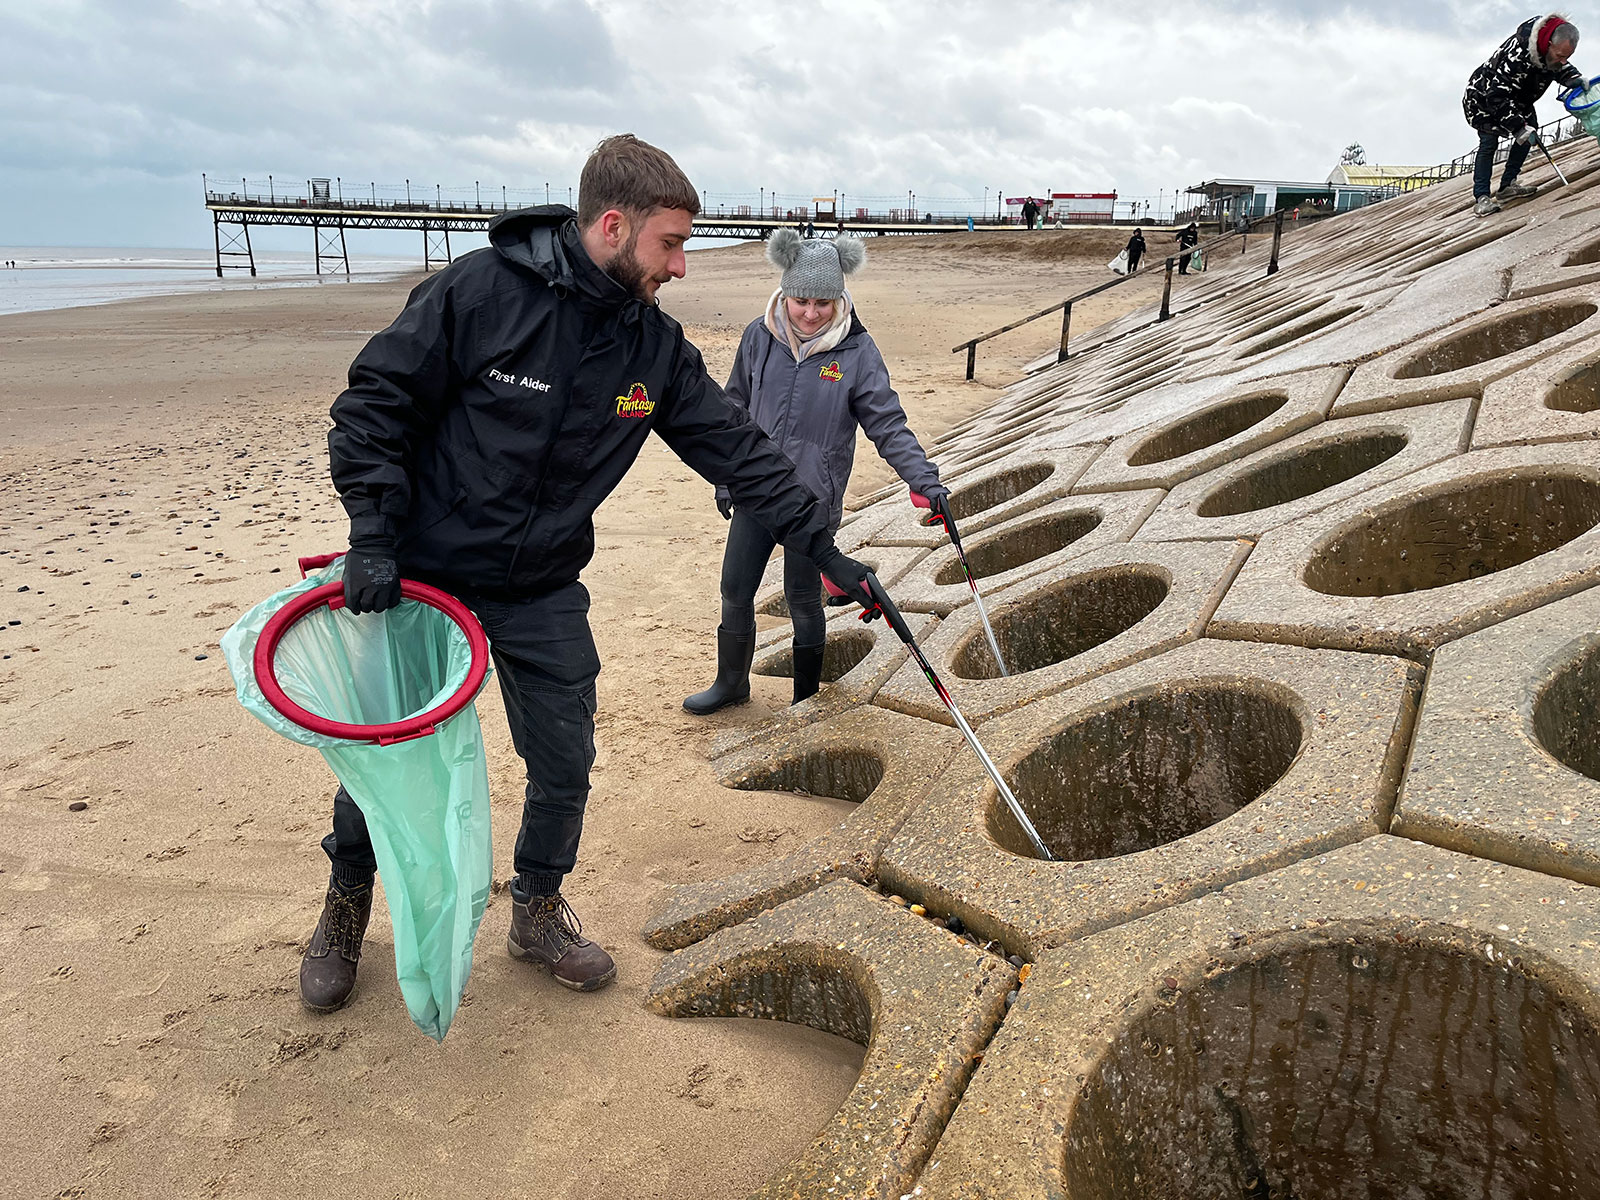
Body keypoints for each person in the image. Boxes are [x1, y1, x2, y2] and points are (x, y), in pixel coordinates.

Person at [310, 134, 879, 1009]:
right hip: (423, 575)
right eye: (671, 244)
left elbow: (741, 452)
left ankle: (537, 909)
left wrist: (827, 547)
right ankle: (345, 907)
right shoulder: (479, 293)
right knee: (388, 755)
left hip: (540, 586)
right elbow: (374, 403)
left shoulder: (650, 349)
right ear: (612, 226)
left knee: (566, 756)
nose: (682, 266)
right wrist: (374, 532)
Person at [683, 231, 947, 714]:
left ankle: (805, 697)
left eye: (823, 302)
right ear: (785, 292)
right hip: (756, 491)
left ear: (840, 297)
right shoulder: (757, 337)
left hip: (813, 501)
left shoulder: (858, 353)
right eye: (800, 300)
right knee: (735, 589)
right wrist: (725, 477)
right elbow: (731, 408)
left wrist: (925, 482)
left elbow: (887, 425)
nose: (810, 313)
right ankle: (731, 683)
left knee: (803, 598)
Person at [1464, 15, 1583, 216]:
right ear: (1548, 43)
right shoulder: (1517, 55)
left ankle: (1507, 186)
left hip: (1519, 98)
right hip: (1484, 98)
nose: (1563, 61)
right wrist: (1517, 127)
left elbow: (1558, 67)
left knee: (1531, 134)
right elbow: (1497, 96)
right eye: (1561, 55)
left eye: (1567, 57)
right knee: (1488, 143)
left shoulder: (1550, 51)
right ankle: (1482, 198)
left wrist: (1575, 79)